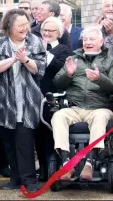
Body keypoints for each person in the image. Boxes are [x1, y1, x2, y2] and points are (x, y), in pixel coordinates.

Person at [0, 8, 46, 192]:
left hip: (27, 100)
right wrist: (12, 59)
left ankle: (30, 180)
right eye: (19, 25)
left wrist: (25, 59)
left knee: (25, 140)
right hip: (3, 100)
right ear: (9, 26)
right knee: (9, 141)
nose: (24, 28)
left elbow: (39, 69)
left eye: (26, 25)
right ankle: (15, 178)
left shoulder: (34, 41)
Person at [51, 25, 113, 181]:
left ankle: (89, 163)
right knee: (58, 116)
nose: (88, 42)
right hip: (75, 107)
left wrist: (100, 79)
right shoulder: (73, 58)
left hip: (100, 107)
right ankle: (67, 163)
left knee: (99, 117)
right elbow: (57, 83)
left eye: (92, 39)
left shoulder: (109, 60)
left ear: (101, 41)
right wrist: (68, 74)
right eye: (85, 39)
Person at [35, 17, 71, 181]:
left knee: (51, 132)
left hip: (52, 96)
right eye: (44, 30)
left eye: (51, 30)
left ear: (59, 33)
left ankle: (53, 165)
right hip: (34, 94)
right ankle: (42, 167)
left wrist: (44, 51)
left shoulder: (63, 49)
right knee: (37, 133)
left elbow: (59, 67)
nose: (47, 33)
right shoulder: (34, 46)